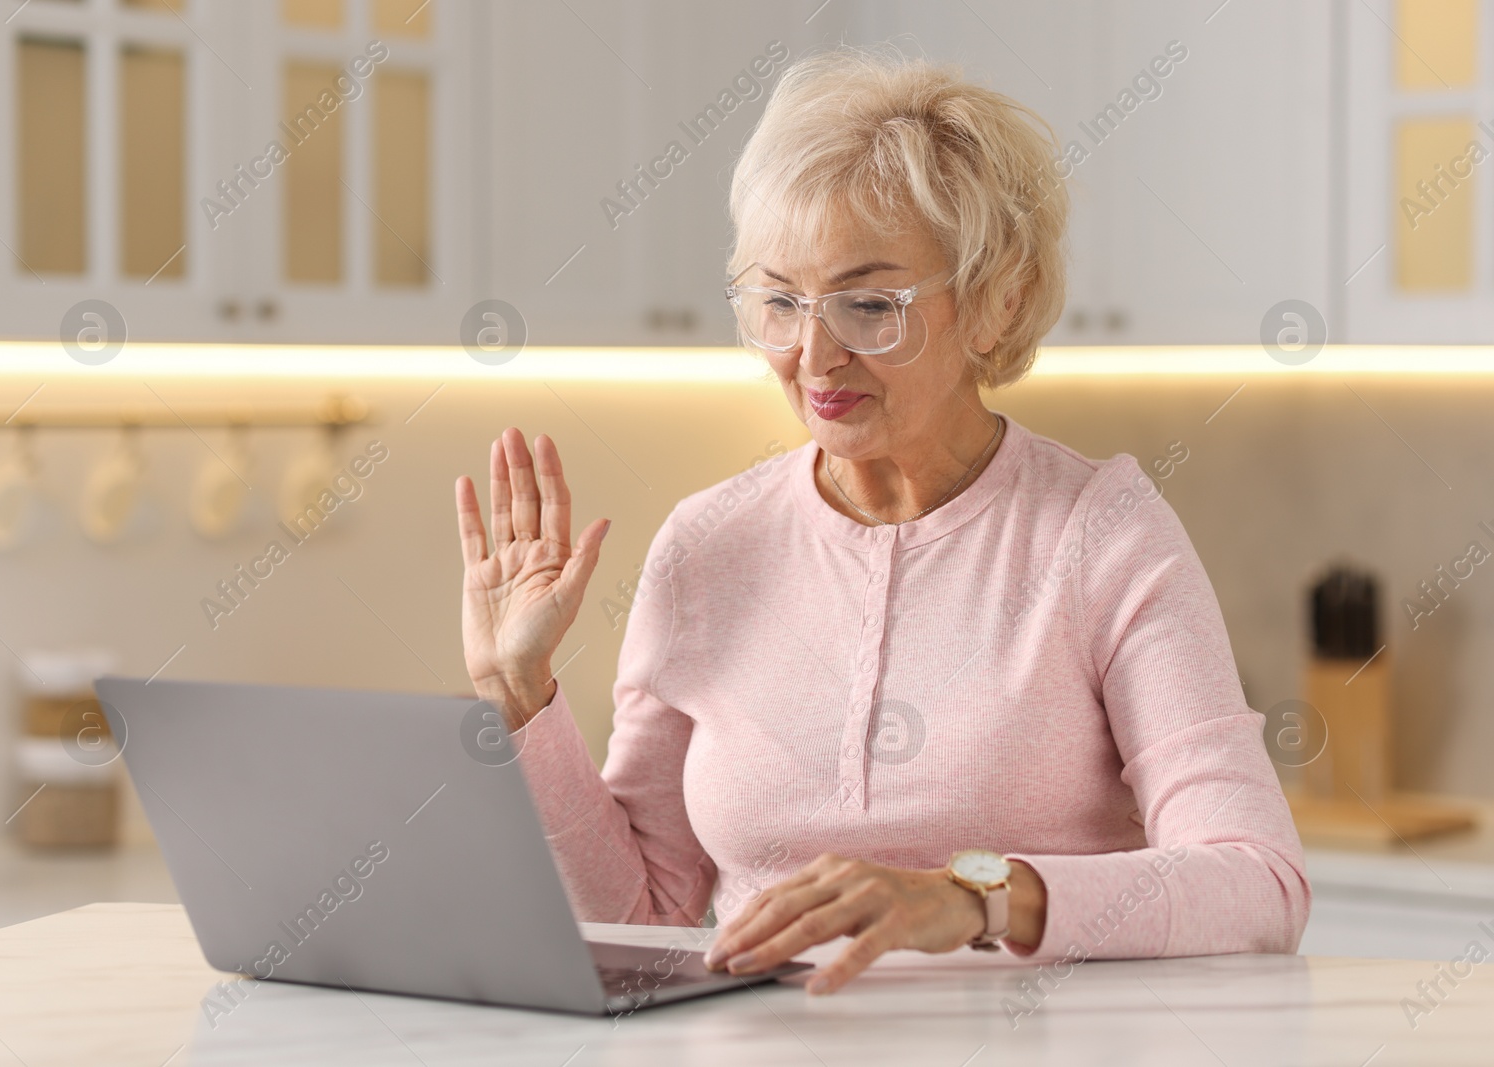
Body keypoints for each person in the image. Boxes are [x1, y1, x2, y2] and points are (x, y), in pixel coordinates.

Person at [454, 49, 1308, 997]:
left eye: (869, 304)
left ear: (998, 301)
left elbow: (1258, 881)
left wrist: (972, 894)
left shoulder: (1100, 535)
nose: (814, 354)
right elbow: (643, 921)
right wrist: (517, 691)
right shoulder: (705, 547)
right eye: (779, 299)